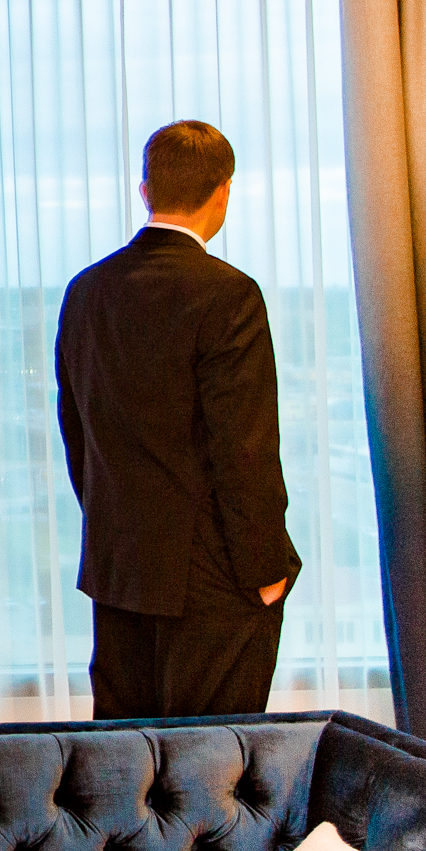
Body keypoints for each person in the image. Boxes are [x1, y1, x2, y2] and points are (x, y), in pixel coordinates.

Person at [54, 120, 301, 720]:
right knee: (211, 761)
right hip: (212, 578)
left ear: (145, 190)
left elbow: (77, 434)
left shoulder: (85, 291)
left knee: (125, 763)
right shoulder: (229, 295)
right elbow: (244, 447)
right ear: (223, 192)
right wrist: (267, 569)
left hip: (119, 569)